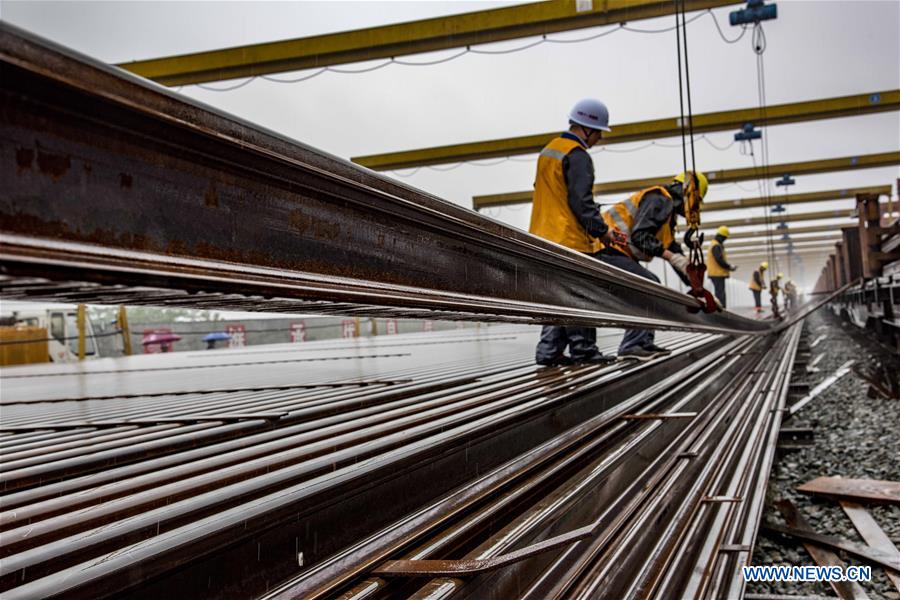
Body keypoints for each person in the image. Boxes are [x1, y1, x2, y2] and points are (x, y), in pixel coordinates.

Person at [529, 98, 616, 367]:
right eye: (599, 131)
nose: (600, 137)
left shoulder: (549, 151)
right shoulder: (577, 155)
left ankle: (549, 350)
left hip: (543, 235)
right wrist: (602, 232)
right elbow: (581, 202)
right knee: (580, 295)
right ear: (587, 128)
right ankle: (584, 350)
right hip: (568, 237)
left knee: (558, 296)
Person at [599, 171, 708, 361]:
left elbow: (676, 254)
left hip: (616, 251)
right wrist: (670, 257)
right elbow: (640, 237)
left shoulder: (668, 217)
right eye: (695, 202)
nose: (693, 209)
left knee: (651, 284)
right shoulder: (660, 199)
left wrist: (698, 287)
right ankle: (633, 345)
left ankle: (643, 343)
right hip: (605, 248)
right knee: (649, 285)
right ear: (689, 192)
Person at [705, 225, 737, 308]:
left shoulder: (714, 244)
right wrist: (729, 267)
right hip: (717, 273)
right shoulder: (716, 246)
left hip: (715, 273)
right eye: (724, 238)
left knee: (719, 292)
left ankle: (720, 309)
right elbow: (719, 260)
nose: (724, 240)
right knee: (720, 293)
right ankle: (721, 310)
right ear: (721, 236)